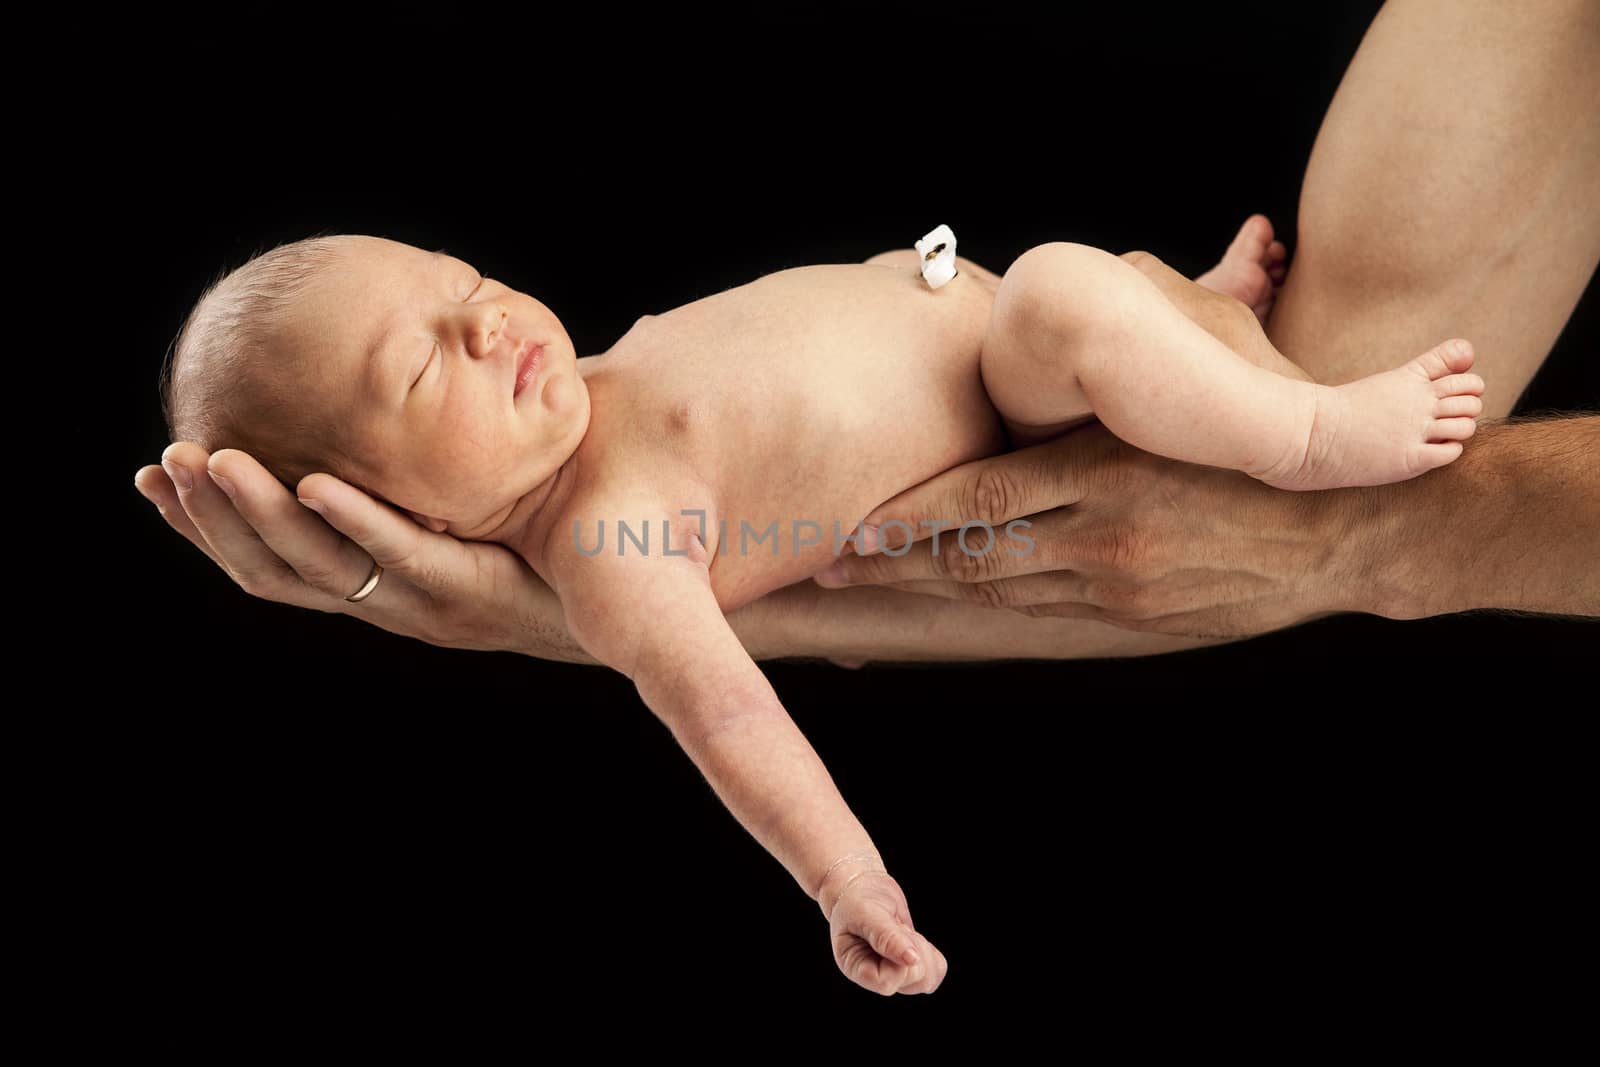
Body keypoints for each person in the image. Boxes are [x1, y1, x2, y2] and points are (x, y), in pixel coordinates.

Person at [133, 0, 1599, 991]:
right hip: (1028, 383)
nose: (487, 323)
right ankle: (1310, 441)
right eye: (418, 372)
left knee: (1091, 298)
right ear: (384, 508)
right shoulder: (609, 545)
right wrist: (849, 885)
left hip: (1022, 347)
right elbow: (727, 717)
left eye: (460, 285)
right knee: (1079, 300)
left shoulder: (597, 378)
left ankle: (1217, 336)